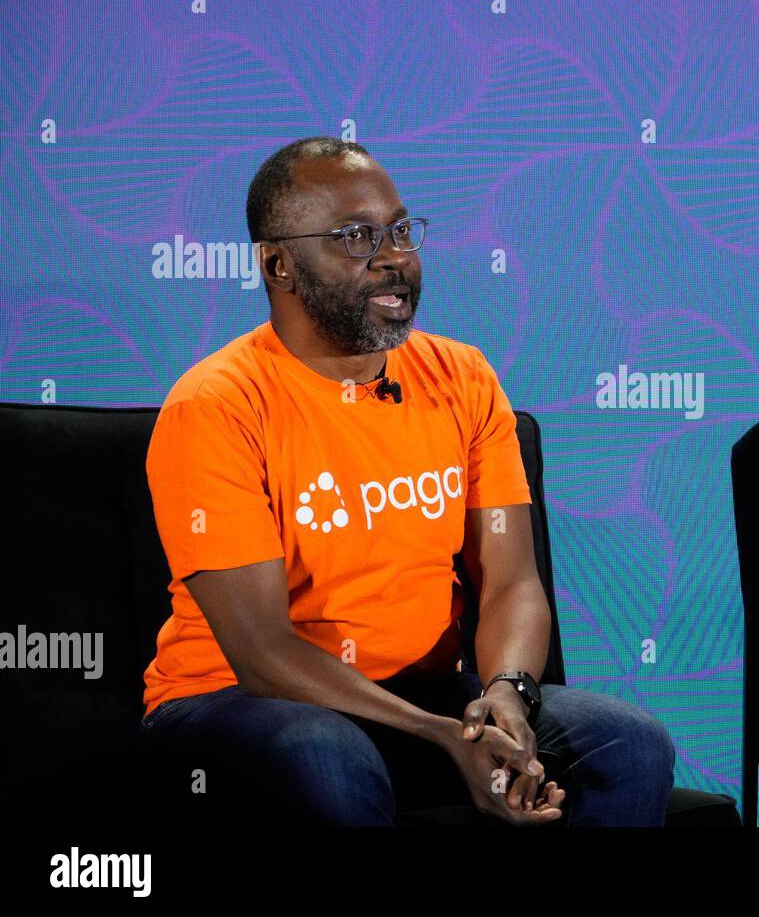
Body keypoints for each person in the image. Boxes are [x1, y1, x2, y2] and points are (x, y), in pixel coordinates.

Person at [139, 136, 675, 826]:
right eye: (357, 237)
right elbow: (263, 654)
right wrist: (440, 734)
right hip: (238, 705)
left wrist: (506, 695)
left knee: (626, 745)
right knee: (325, 756)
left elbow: (511, 582)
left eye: (399, 231)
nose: (393, 258)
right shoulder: (217, 405)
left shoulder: (463, 377)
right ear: (279, 265)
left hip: (424, 694)